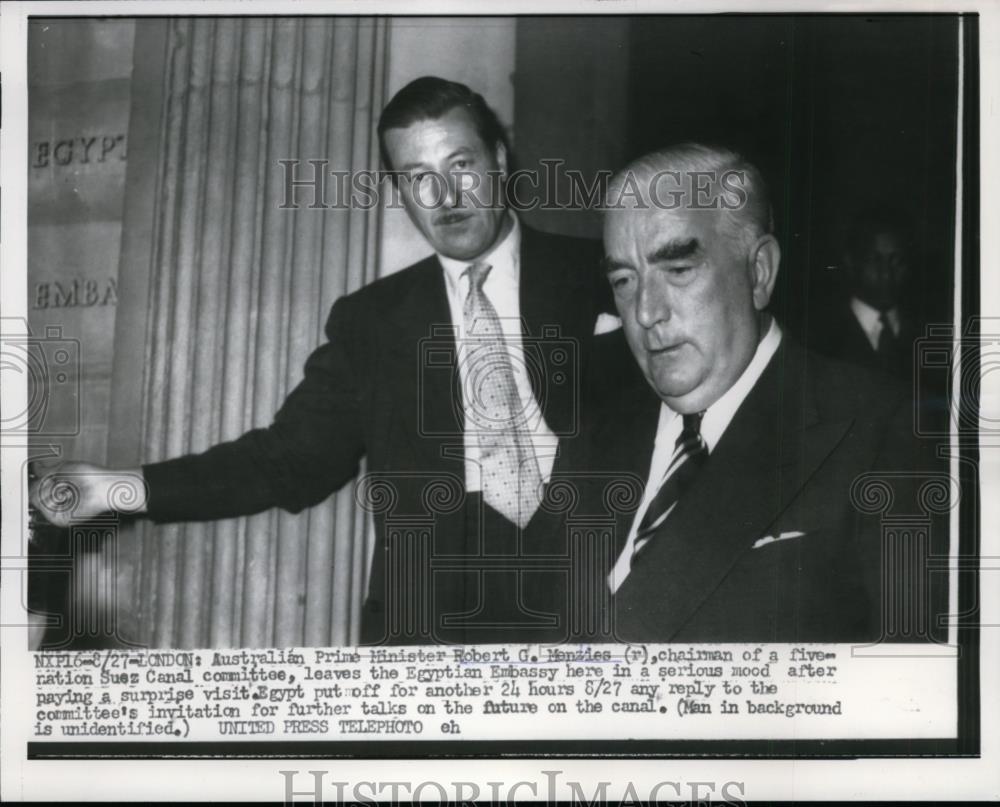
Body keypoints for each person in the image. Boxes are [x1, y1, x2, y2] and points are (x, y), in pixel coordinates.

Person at [30, 76, 610, 646]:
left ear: (499, 160)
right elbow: (286, 460)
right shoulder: (372, 321)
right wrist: (114, 489)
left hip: (591, 600)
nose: (445, 196)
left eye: (461, 165)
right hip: (431, 628)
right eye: (418, 177)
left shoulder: (601, 276)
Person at [578, 143, 947, 643]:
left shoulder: (882, 431)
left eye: (678, 271)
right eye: (624, 279)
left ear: (759, 272)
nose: (645, 312)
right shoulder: (593, 431)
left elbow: (910, 679)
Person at [811, 208, 917, 381]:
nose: (886, 274)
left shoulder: (928, 334)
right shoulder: (818, 338)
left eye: (896, 260)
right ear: (851, 262)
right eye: (875, 260)